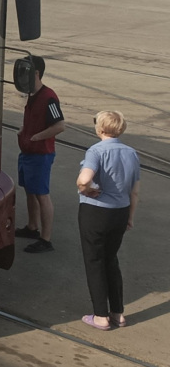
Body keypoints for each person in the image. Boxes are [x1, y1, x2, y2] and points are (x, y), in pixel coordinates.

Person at [77, 110, 140, 331]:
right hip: (120, 213)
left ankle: (100, 316)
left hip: (96, 213)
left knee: (94, 261)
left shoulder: (96, 151)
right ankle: (117, 313)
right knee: (111, 260)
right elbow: (134, 192)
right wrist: (130, 218)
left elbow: (83, 180)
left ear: (100, 128)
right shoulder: (131, 153)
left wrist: (88, 188)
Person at [15, 55, 66, 253]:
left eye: (25, 71)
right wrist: (24, 130)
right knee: (30, 190)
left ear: (36, 73)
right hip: (28, 152)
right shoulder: (32, 95)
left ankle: (45, 239)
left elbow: (60, 125)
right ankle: (32, 227)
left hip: (40, 154)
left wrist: (36, 137)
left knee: (41, 195)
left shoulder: (49, 97)